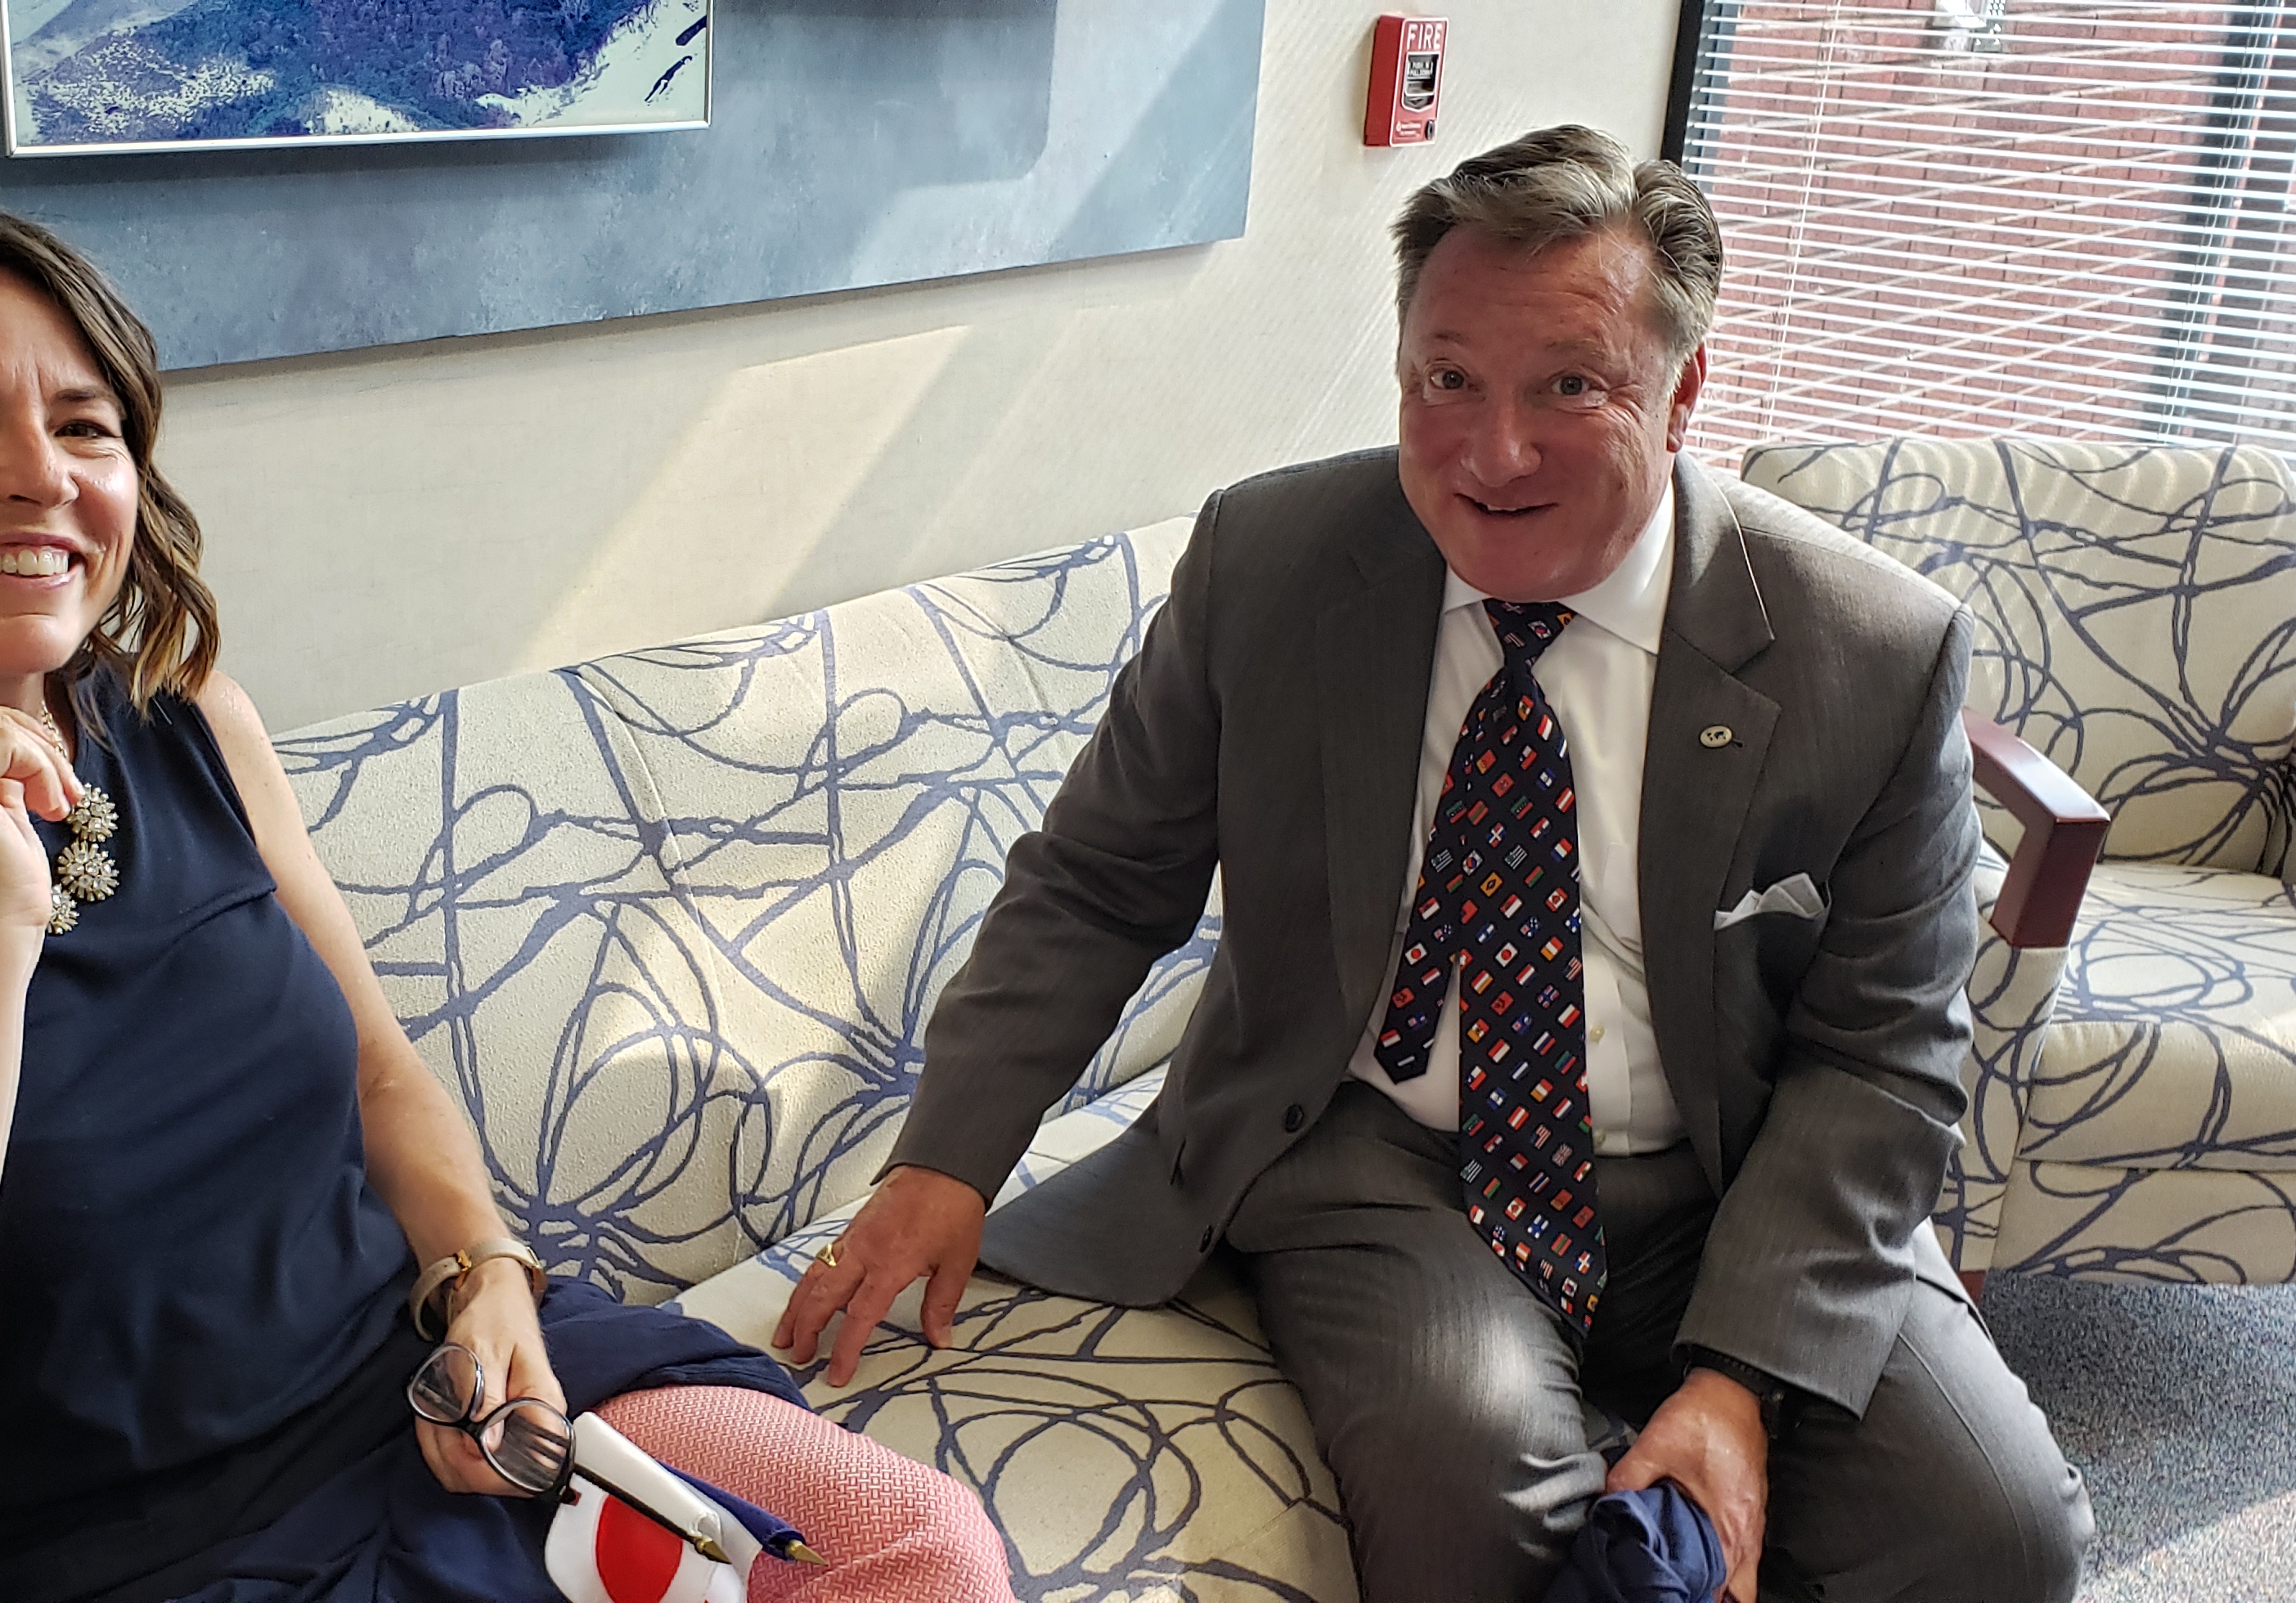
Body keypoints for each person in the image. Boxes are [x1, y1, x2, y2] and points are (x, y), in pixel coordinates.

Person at [0, 200, 1014, 1603]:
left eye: (87, 426)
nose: (39, 475)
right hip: (155, 1550)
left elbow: (380, 1073)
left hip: (435, 1397)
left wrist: (486, 1278)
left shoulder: (188, 722)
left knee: (911, 1555)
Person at [775, 126, 2096, 1603]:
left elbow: (1882, 1051)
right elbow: (1099, 877)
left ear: (1682, 394)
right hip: (1382, 1155)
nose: (1493, 451)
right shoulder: (1269, 562)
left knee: (1999, 1534)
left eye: (1571, 388)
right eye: (1446, 379)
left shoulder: (1873, 652)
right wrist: (949, 1156)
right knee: (1474, 1491)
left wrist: (1737, 1383)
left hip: (1730, 1177)